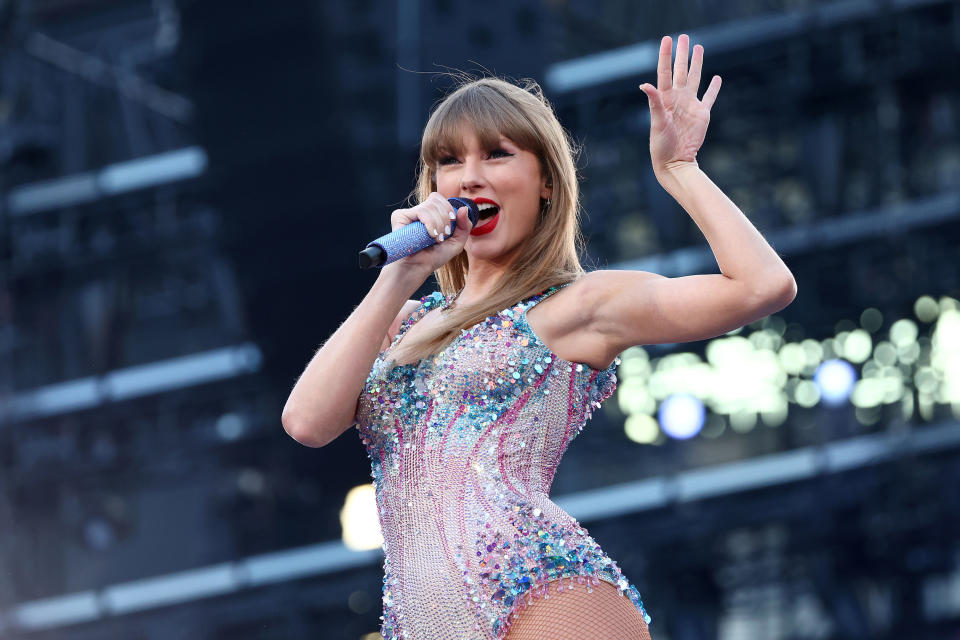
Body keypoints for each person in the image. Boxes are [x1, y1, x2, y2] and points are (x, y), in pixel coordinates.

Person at [282, 34, 796, 640]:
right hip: (423, 623)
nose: (468, 178)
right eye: (449, 161)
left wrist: (680, 170)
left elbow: (763, 286)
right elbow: (307, 423)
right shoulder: (404, 320)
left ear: (546, 181)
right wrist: (401, 275)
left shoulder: (575, 306)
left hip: (541, 592)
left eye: (496, 155)